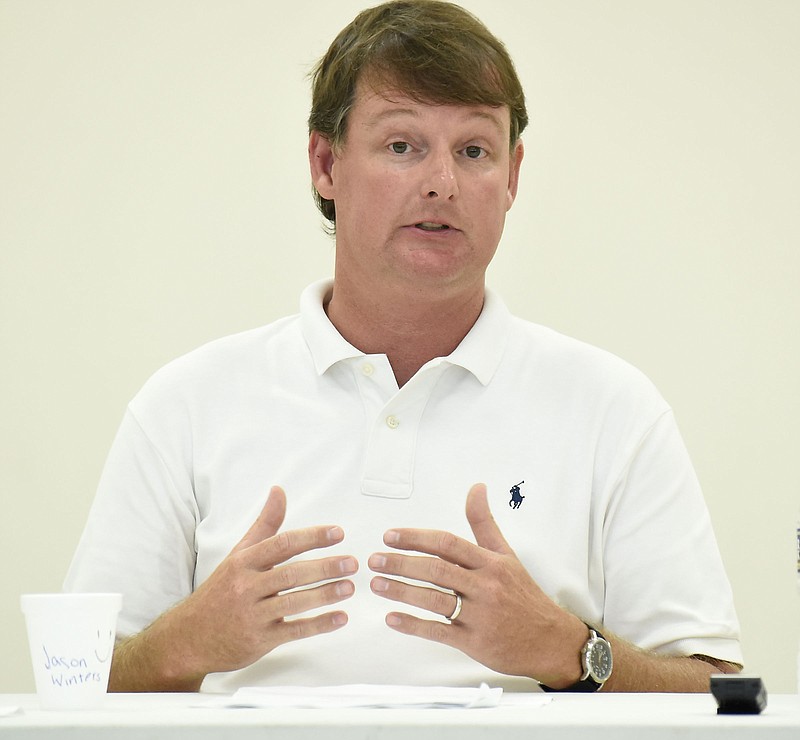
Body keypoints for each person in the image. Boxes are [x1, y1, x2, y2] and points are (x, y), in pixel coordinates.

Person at [65, 0, 742, 693]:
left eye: (474, 151)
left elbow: (713, 690)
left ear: (511, 177)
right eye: (402, 146)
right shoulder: (186, 404)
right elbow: (76, 686)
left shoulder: (614, 410)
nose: (441, 182)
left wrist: (568, 650)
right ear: (325, 163)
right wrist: (187, 643)